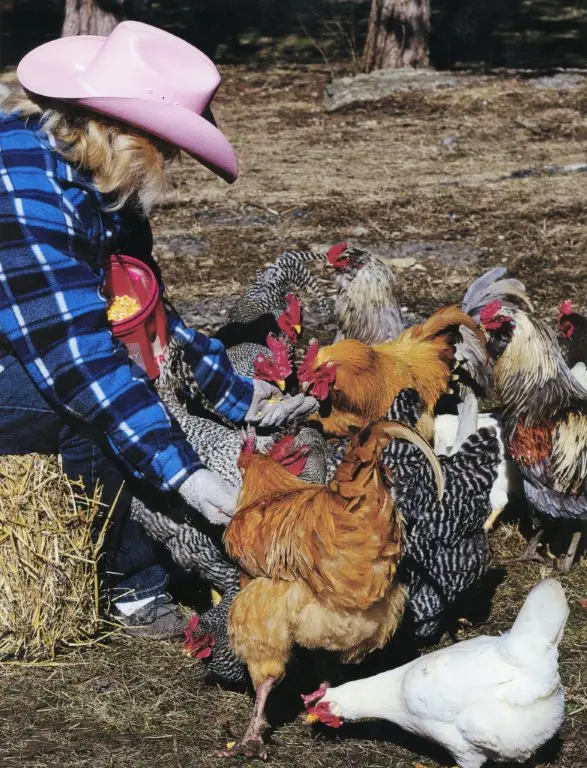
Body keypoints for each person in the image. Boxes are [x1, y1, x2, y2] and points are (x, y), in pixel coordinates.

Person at [0, 21, 317, 636]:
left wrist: (236, 392)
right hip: (22, 351)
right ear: (121, 132)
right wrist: (186, 475)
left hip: (27, 339)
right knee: (83, 415)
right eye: (165, 148)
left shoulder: (92, 178)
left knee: (128, 391)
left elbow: (142, 314)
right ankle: (132, 587)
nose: (168, 163)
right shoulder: (19, 187)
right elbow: (80, 362)